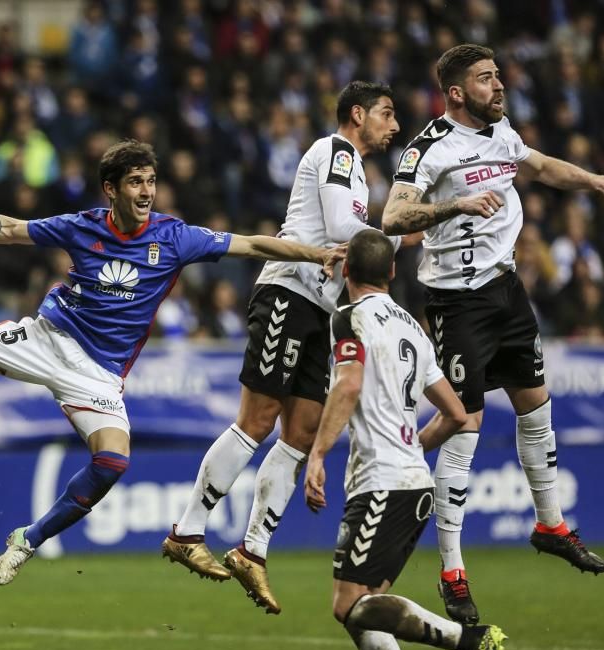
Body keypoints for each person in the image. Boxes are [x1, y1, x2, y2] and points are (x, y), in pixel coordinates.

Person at [0, 139, 345, 586]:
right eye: (135, 182)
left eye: (151, 181)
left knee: (112, 462)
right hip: (46, 338)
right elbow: (6, 229)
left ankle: (28, 539)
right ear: (111, 189)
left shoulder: (175, 237)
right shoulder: (82, 226)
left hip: (98, 375)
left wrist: (318, 253)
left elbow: (255, 245)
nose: (146, 192)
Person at [381, 43, 604, 624]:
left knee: (535, 403)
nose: (498, 86)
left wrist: (599, 182)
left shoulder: (502, 134)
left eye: (497, 76)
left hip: (506, 290)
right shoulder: (429, 149)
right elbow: (393, 218)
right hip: (456, 300)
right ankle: (452, 571)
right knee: (465, 424)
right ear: (455, 93)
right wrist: (456, 206)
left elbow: (540, 166)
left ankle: (550, 523)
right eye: (485, 78)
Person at [162, 81, 415, 614]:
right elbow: (347, 232)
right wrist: (402, 228)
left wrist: (398, 231)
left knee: (300, 433)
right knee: (257, 419)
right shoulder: (335, 151)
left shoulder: (359, 170)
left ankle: (252, 549)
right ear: (356, 114)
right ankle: (187, 531)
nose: (394, 126)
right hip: (289, 291)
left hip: (323, 313)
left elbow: (357, 238)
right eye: (387, 115)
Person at [304, 229, 506, 650]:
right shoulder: (413, 328)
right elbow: (456, 413)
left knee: (348, 604)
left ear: (347, 270)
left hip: (382, 482)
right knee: (369, 609)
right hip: (413, 483)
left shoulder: (348, 316)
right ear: (392, 272)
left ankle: (470, 640)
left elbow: (349, 384)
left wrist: (317, 454)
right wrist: (414, 446)